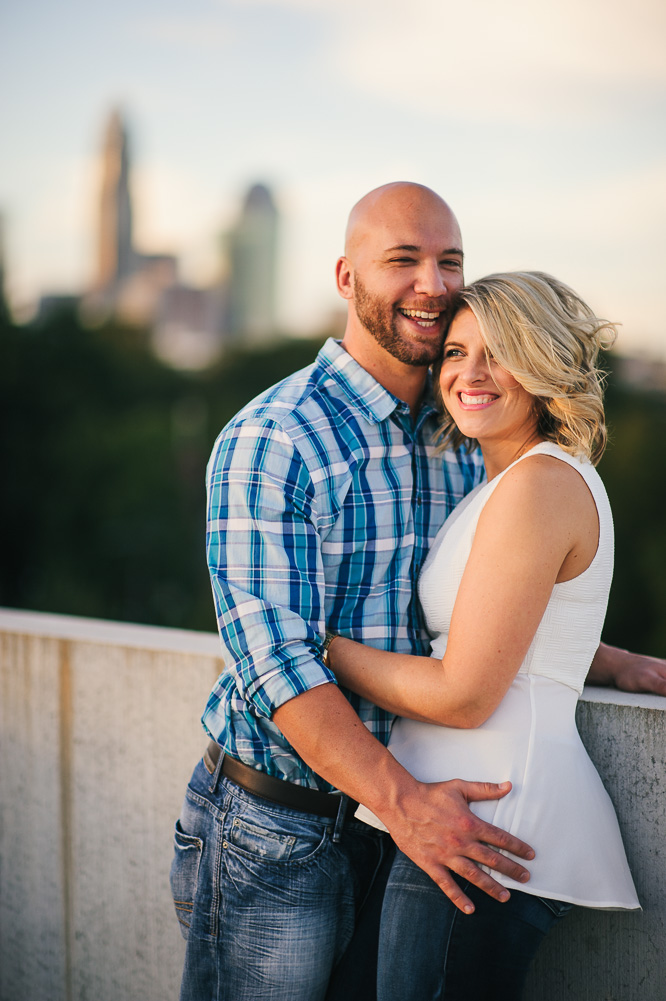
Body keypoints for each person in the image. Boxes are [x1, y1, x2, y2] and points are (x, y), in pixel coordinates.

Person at [170, 182, 665, 1001]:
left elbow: (473, 606)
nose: (431, 283)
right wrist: (405, 804)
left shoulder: (459, 434)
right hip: (281, 825)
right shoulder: (277, 435)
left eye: (450, 261)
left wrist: (595, 655)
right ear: (345, 276)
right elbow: (275, 665)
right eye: (402, 260)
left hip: (403, 814)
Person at [325, 271, 641, 1000]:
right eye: (456, 352)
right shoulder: (504, 481)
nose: (469, 373)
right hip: (454, 816)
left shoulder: (540, 483)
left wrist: (320, 649)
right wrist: (608, 659)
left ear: (541, 360)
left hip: (491, 823)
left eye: (497, 352)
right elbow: (519, 632)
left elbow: (466, 693)